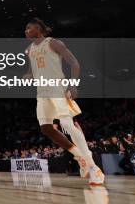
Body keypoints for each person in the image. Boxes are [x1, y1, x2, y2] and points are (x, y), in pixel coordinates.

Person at [24, 18, 104, 185]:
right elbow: (33, 69)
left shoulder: (53, 43)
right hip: (42, 92)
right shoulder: (29, 50)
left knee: (67, 125)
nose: (25, 31)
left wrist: (73, 84)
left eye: (28, 28)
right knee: (46, 128)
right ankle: (79, 156)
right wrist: (29, 75)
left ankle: (93, 167)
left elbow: (74, 63)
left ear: (38, 29)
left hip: (57, 88)